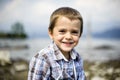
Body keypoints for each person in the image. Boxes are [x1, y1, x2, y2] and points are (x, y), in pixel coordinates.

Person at [28, 7, 86, 80]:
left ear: (80, 34)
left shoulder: (77, 58)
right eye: (62, 31)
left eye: (74, 32)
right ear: (51, 33)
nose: (68, 37)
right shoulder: (43, 58)